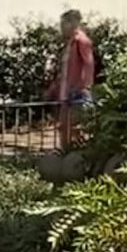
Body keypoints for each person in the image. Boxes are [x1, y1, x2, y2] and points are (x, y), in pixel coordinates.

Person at [49, 10, 97, 151]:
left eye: (63, 24)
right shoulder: (70, 43)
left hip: (76, 93)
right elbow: (66, 70)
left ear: (72, 24)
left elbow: (88, 64)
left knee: (76, 127)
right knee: (64, 127)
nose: (61, 27)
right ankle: (65, 152)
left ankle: (76, 155)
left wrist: (84, 86)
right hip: (66, 93)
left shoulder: (81, 41)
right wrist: (54, 87)